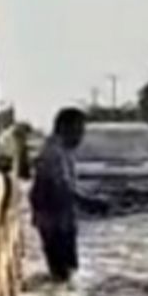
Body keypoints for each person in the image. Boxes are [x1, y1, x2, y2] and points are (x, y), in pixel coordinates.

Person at [30, 107, 87, 282]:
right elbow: (60, 188)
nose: (81, 137)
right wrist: (90, 202)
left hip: (60, 221)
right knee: (63, 274)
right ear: (64, 128)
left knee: (65, 275)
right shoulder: (53, 154)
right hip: (55, 223)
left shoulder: (62, 151)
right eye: (78, 130)